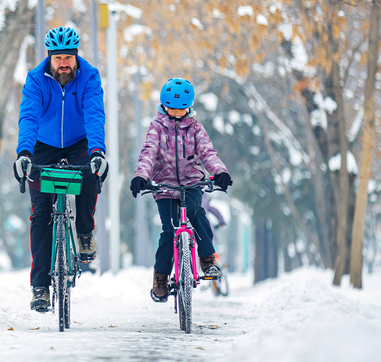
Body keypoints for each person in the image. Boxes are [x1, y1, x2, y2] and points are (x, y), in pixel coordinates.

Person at [13, 26, 108, 312]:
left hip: (80, 144)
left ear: (77, 57)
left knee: (90, 174)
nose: (63, 64)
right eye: (58, 58)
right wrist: (24, 153)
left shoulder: (89, 77)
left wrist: (97, 151)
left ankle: (83, 232)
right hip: (43, 146)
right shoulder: (35, 79)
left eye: (68, 57)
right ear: (49, 58)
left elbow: (94, 113)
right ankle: (40, 287)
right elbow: (28, 116)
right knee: (41, 214)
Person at [129, 77, 233, 302]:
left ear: (189, 107)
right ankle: (160, 279)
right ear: (164, 106)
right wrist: (141, 176)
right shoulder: (156, 127)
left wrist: (219, 171)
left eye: (181, 109)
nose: (177, 113)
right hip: (164, 187)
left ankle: (207, 260)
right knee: (169, 231)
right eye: (172, 109)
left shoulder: (196, 128)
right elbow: (148, 152)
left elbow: (207, 152)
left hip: (192, 184)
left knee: (199, 217)